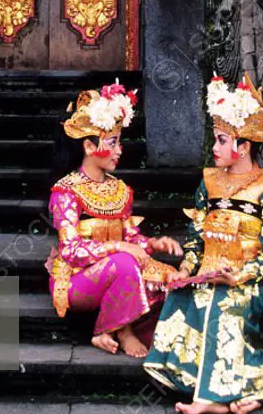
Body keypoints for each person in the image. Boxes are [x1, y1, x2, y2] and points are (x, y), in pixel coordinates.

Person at [144, 73, 263, 414]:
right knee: (181, 294)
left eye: (222, 140)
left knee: (224, 300)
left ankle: (217, 396)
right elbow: (196, 238)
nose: (214, 148)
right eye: (216, 139)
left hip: (255, 280)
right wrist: (185, 269)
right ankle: (192, 381)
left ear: (244, 147)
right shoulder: (208, 183)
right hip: (209, 272)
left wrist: (239, 275)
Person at [46, 81, 183, 358]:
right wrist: (118, 247)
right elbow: (71, 252)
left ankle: (116, 331)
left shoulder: (120, 190)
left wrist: (153, 244)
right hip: (75, 280)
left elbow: (130, 237)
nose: (120, 150)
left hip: (119, 270)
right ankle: (121, 331)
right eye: (112, 142)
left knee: (172, 277)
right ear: (88, 146)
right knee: (125, 262)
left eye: (119, 142)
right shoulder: (66, 192)